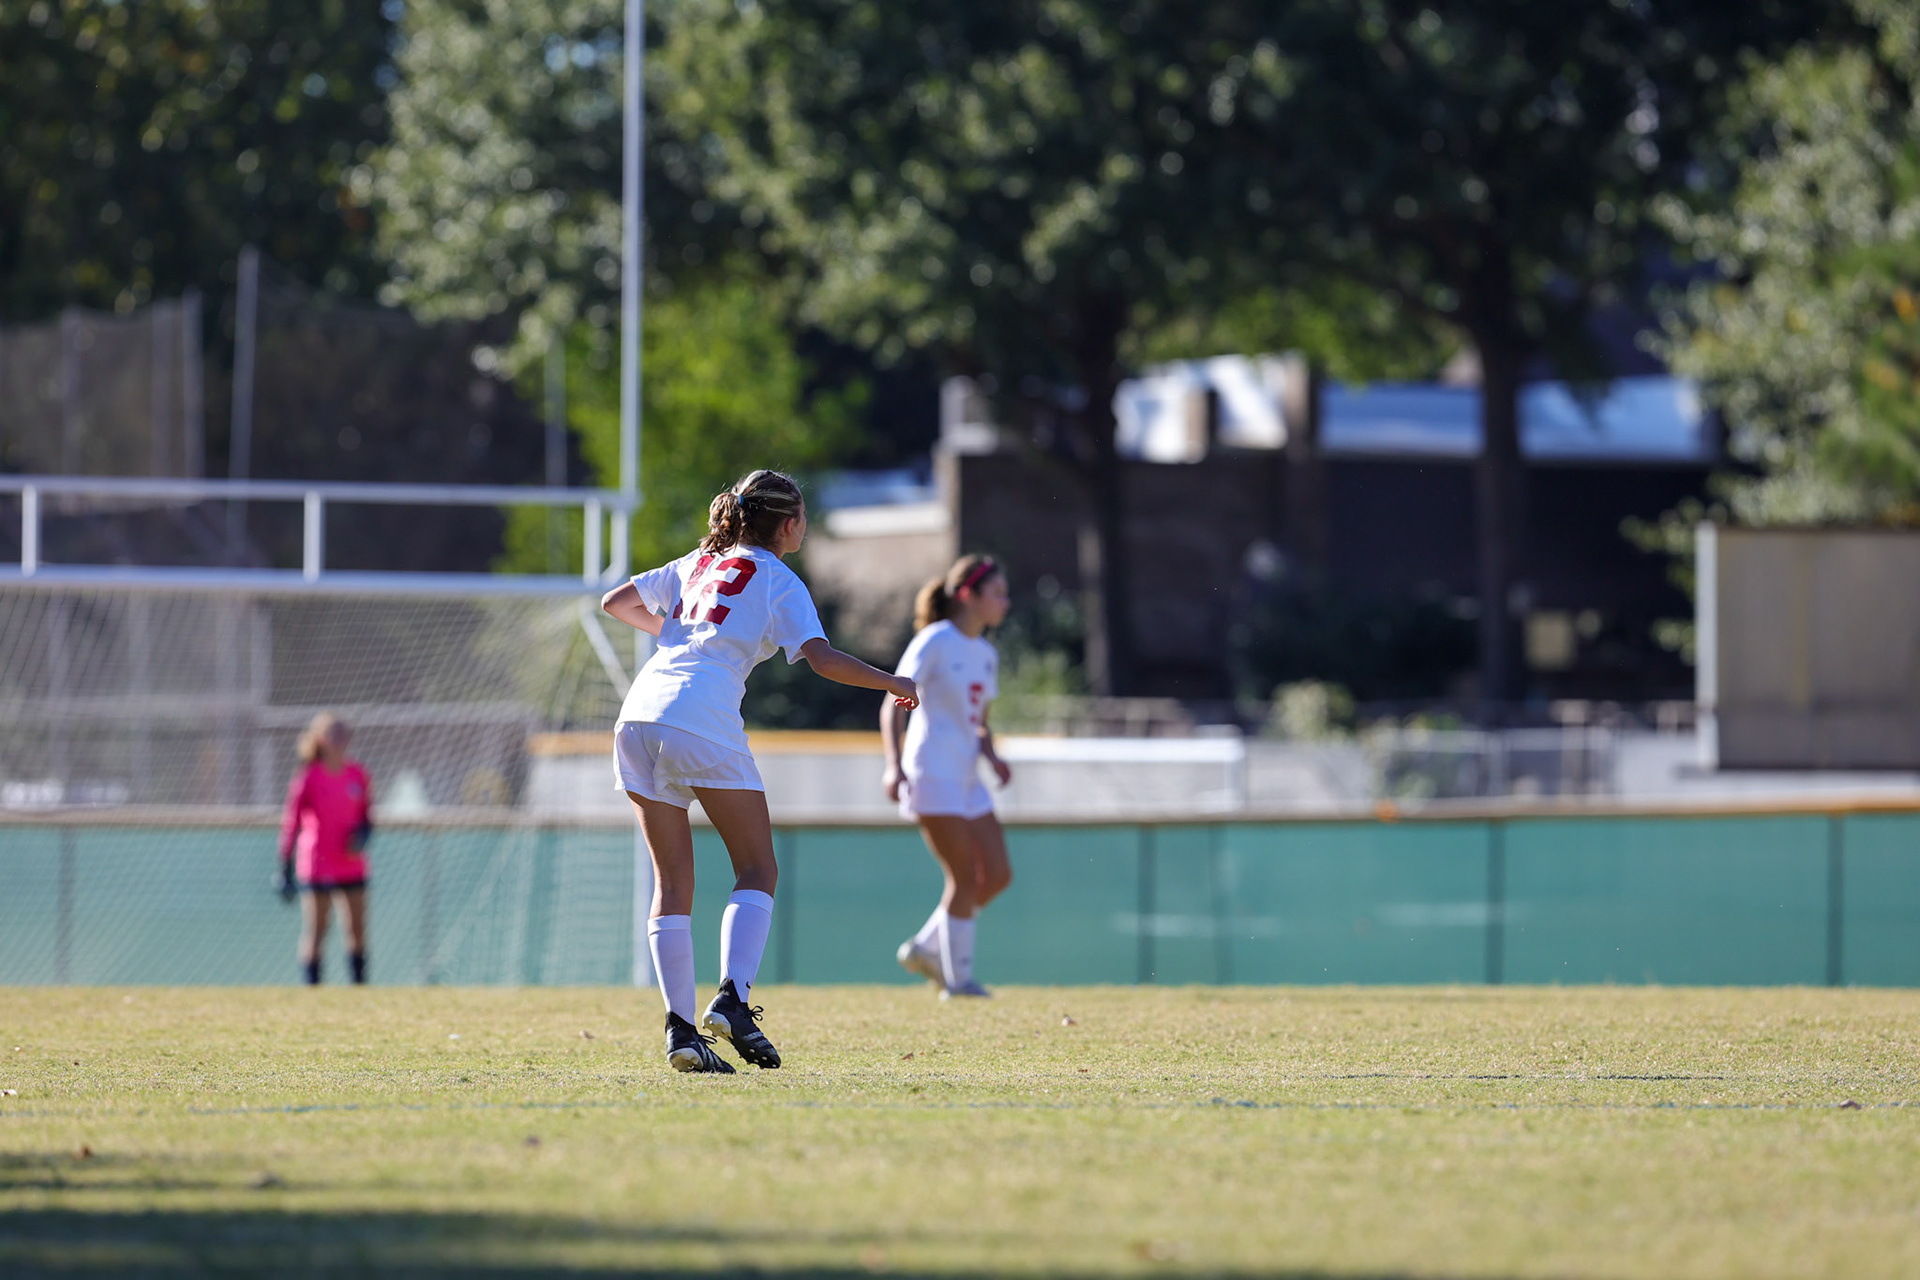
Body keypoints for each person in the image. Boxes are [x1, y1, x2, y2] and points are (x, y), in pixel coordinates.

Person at [601, 469, 919, 1074]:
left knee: (671, 883)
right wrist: (894, 682)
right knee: (756, 867)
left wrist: (675, 630)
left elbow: (617, 602)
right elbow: (820, 659)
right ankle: (733, 998)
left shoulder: (700, 561)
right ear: (790, 523)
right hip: (700, 716)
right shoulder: (778, 578)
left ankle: (680, 1031)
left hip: (637, 717)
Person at [881, 554, 1014, 999]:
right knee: (962, 877)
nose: (1004, 602)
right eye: (996, 593)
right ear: (966, 595)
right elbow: (893, 700)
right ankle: (958, 982)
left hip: (967, 777)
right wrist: (893, 764)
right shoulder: (935, 640)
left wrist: (992, 756)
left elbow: (979, 720)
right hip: (932, 771)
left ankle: (926, 945)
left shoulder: (987, 653)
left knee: (995, 875)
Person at [276, 712, 374, 986]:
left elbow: (367, 817)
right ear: (321, 739)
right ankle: (313, 991)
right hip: (318, 863)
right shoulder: (308, 777)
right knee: (317, 930)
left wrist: (363, 835)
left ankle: (359, 990)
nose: (341, 741)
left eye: (345, 735)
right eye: (335, 735)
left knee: (356, 929)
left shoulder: (358, 774)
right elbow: (291, 823)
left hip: (351, 863)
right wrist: (285, 866)